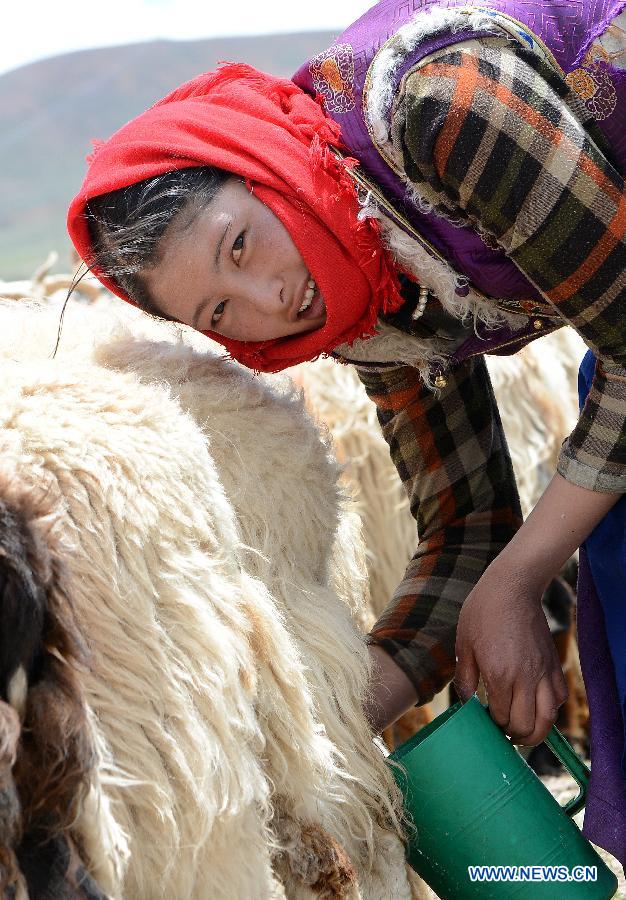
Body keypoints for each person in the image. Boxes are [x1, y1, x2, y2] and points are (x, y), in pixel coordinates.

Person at [67, 0, 626, 865]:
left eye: (244, 246)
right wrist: (319, 732)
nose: (273, 303)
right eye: (222, 310)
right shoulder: (365, 308)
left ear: (264, 169)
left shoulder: (445, 108)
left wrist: (520, 582)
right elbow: (468, 525)